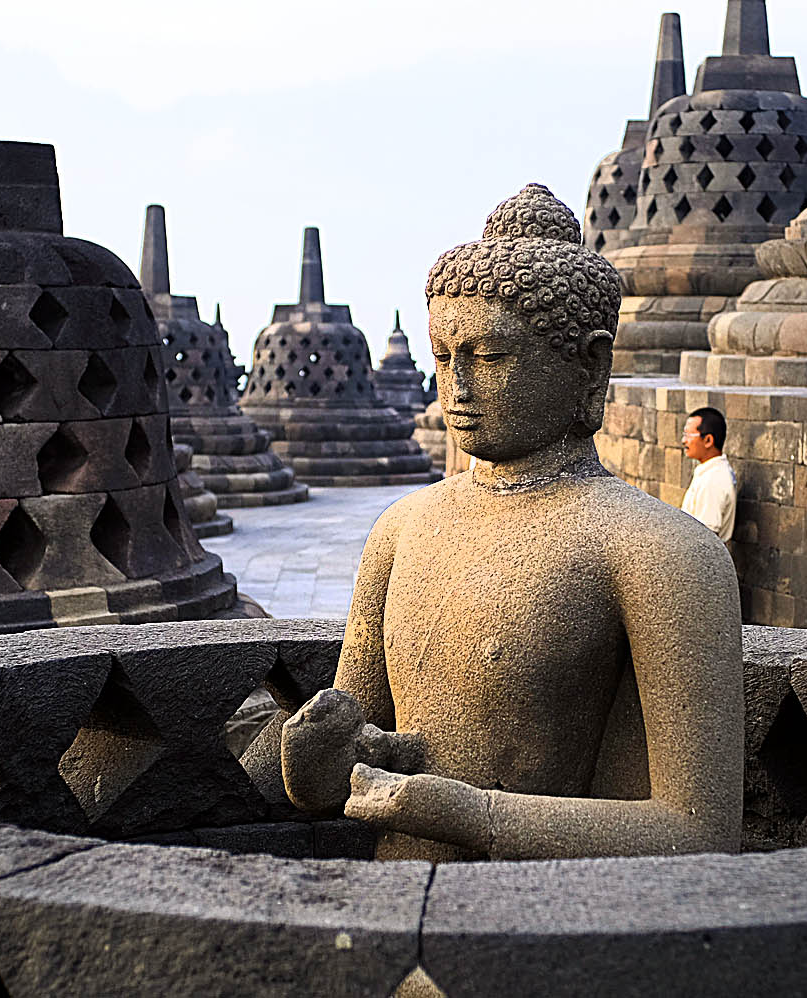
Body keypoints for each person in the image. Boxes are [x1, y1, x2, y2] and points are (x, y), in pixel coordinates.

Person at [271, 185, 744, 862]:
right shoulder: (400, 531)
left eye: (491, 358)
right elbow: (360, 735)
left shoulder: (662, 554)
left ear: (590, 363)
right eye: (442, 356)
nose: (457, 387)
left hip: (553, 939)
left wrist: (470, 815)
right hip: (389, 920)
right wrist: (321, 764)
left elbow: (699, 832)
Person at [680, 407, 736, 542]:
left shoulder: (714, 480)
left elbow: (706, 539)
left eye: (689, 435)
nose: (684, 441)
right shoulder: (709, 472)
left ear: (708, 441)